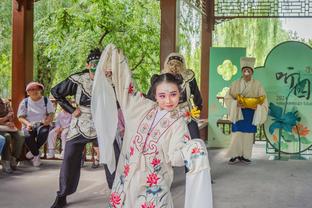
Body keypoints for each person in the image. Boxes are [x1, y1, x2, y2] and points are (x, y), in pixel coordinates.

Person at [92, 44, 212, 208]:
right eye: (162, 95)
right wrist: (116, 60)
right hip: (126, 177)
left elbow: (175, 157)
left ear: (180, 94)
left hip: (154, 184)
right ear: (154, 95)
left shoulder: (178, 122)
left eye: (173, 94)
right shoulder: (140, 107)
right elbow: (126, 85)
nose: (168, 100)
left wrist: (192, 148)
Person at [50, 48, 102, 208]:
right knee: (69, 157)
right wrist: (72, 110)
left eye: (99, 63)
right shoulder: (78, 79)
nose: (96, 66)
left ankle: (119, 192)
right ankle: (62, 195)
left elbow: (122, 99)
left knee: (115, 155)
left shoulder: (111, 79)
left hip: (102, 123)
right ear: (87, 65)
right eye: (93, 63)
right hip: (80, 122)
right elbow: (56, 91)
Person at [147, 52, 202, 139]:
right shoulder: (160, 79)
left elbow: (197, 96)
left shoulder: (188, 78)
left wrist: (198, 108)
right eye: (171, 64)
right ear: (166, 65)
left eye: (178, 64)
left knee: (194, 138)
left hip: (185, 113)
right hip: (165, 113)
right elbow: (150, 98)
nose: (174, 67)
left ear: (183, 66)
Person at [225, 57, 268, 164]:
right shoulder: (235, 83)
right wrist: (236, 103)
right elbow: (228, 97)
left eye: (248, 71)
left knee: (248, 134)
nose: (246, 73)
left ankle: (246, 155)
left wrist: (257, 106)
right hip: (238, 112)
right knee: (237, 133)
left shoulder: (257, 84)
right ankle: (235, 155)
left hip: (251, 113)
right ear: (242, 72)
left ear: (252, 72)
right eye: (244, 70)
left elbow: (264, 99)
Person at [17, 82, 55, 167]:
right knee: (27, 135)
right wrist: (27, 124)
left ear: (41, 90)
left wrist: (48, 121)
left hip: (42, 123)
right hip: (29, 124)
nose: (35, 91)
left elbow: (51, 114)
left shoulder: (45, 100)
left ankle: (34, 152)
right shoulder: (25, 102)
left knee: (43, 133)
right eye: (32, 89)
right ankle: (36, 155)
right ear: (28, 92)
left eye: (38, 89)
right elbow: (20, 117)